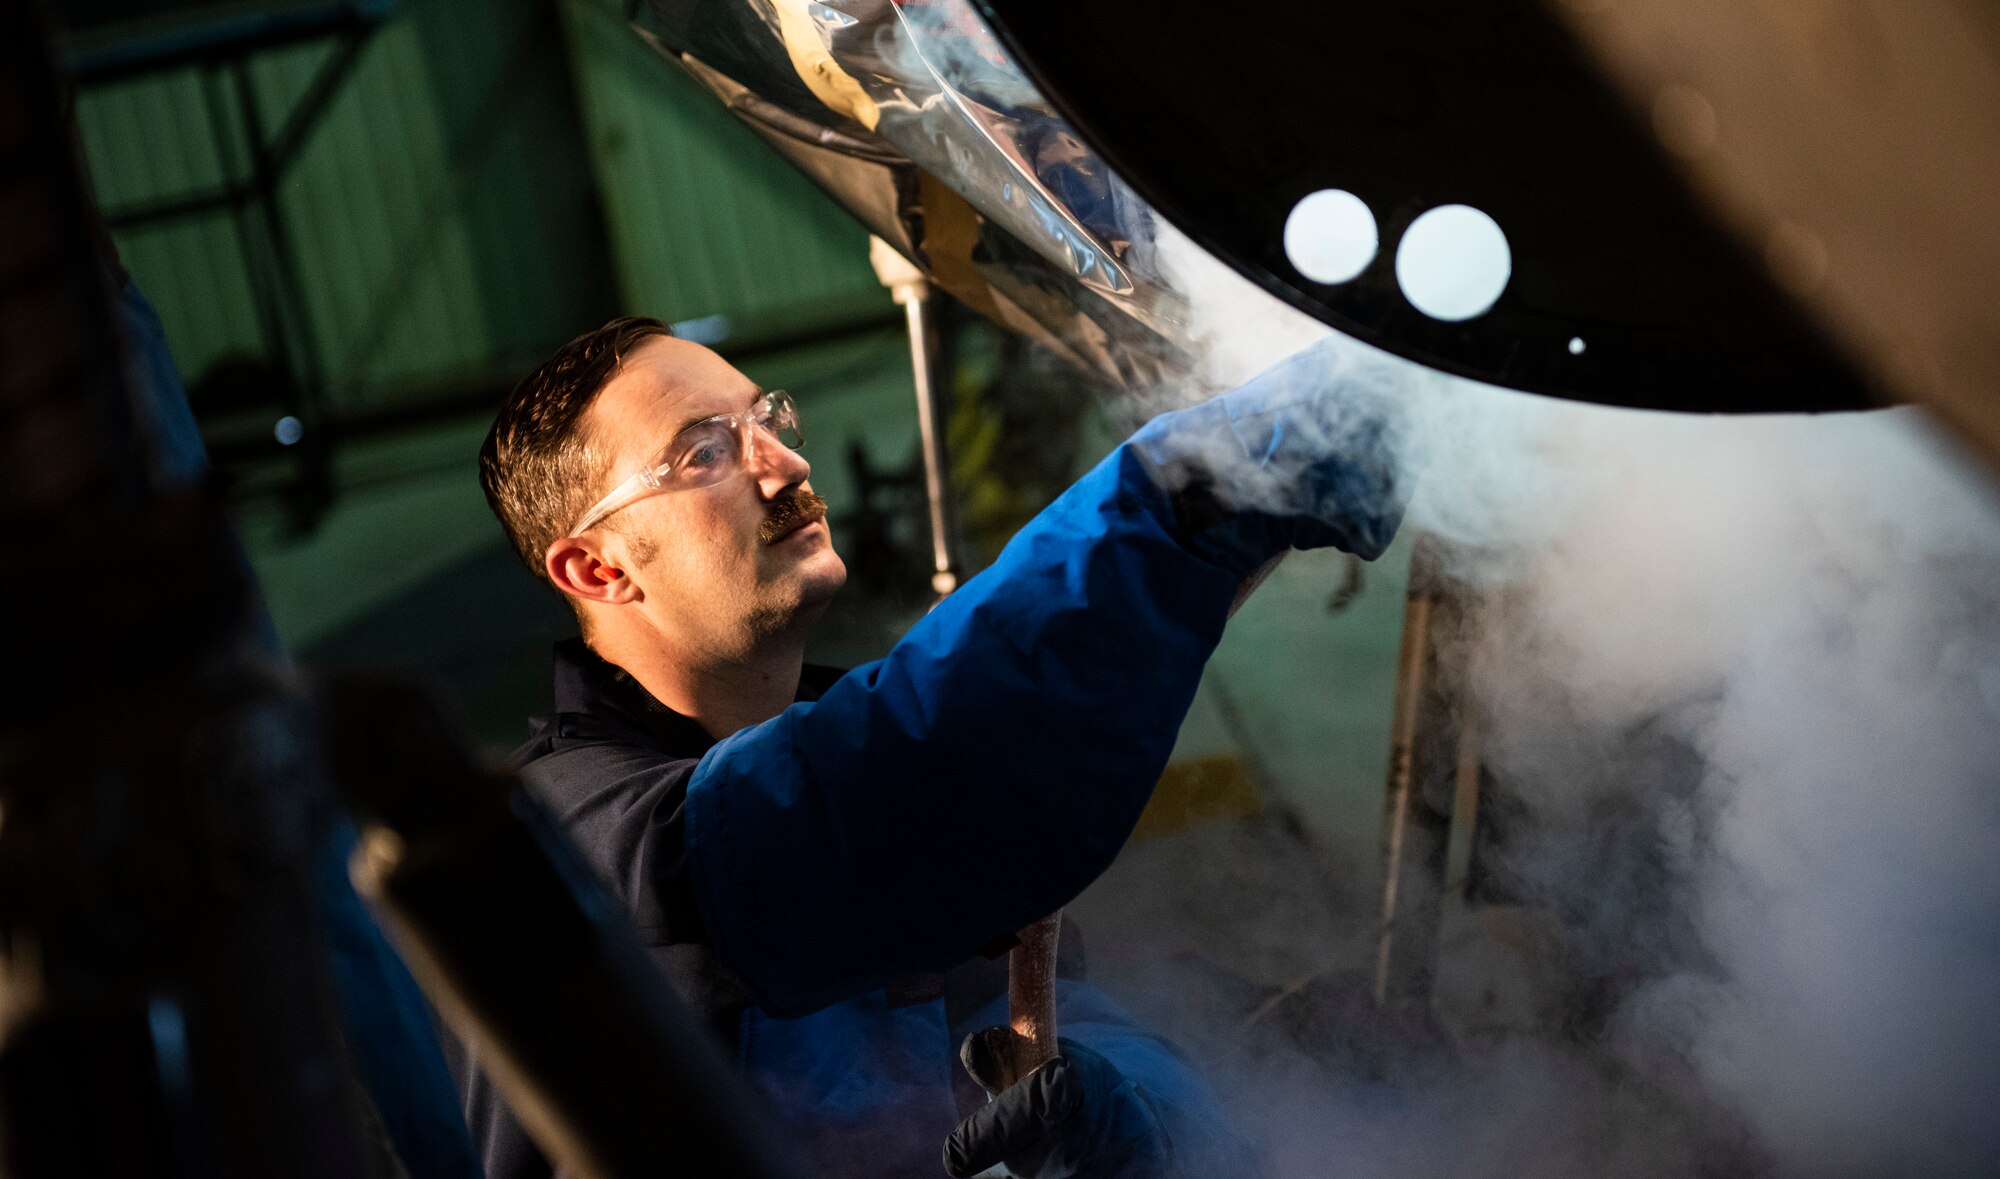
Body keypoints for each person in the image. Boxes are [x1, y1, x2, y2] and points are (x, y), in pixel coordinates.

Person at [461, 316, 1405, 1179]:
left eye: (767, 418)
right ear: (596, 565)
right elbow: (897, 783)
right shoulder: (562, 836)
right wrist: (1189, 496)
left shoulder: (858, 781)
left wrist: (1123, 1112)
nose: (783, 464)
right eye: (704, 452)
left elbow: (1044, 1020)